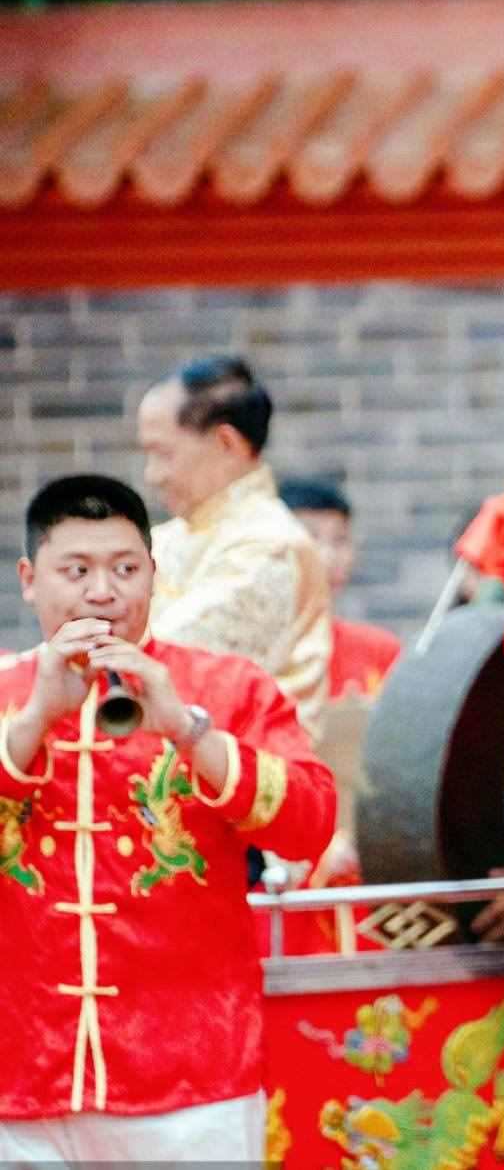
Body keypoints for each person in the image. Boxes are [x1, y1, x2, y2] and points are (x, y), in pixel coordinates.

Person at [0, 476, 334, 1159]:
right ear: (30, 580)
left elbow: (310, 823)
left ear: (155, 575)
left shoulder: (228, 688)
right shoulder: (8, 694)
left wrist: (189, 730)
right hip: (19, 1083)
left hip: (192, 1083)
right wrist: (32, 721)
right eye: (77, 571)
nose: (103, 592)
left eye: (125, 569)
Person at [138, 356, 332, 734]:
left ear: (226, 442)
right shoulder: (169, 536)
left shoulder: (272, 547)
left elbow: (162, 665)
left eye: (163, 454)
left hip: (245, 764)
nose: (152, 475)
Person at [278, 478, 401, 701]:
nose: (328, 557)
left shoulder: (380, 650)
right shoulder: (248, 652)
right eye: (310, 537)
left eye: (340, 540)